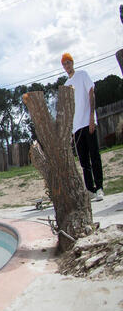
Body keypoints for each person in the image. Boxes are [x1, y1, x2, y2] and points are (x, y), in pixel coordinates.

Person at [62, 52, 104, 201]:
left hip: (88, 121)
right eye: (64, 64)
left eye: (68, 62)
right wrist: (70, 131)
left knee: (94, 156)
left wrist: (92, 117)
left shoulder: (83, 75)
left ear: (72, 63)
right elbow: (68, 109)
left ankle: (99, 188)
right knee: (84, 161)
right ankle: (90, 190)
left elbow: (91, 93)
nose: (67, 66)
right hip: (76, 127)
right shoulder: (66, 85)